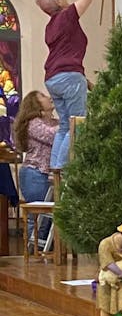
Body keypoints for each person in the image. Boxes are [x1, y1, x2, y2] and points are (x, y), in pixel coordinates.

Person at [35, 0, 111, 169]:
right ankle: (65, 172)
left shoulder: (51, 26)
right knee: (77, 124)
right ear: (58, 0)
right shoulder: (67, 16)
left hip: (53, 79)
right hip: (68, 78)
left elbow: (64, 56)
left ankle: (55, 171)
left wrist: (84, 80)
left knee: (65, 127)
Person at [14, 90, 58, 244]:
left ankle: (40, 253)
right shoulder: (34, 123)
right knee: (38, 217)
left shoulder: (53, 122)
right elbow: (52, 136)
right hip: (35, 174)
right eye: (44, 97)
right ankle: (33, 253)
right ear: (36, 104)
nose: (49, 98)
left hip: (44, 174)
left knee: (46, 219)